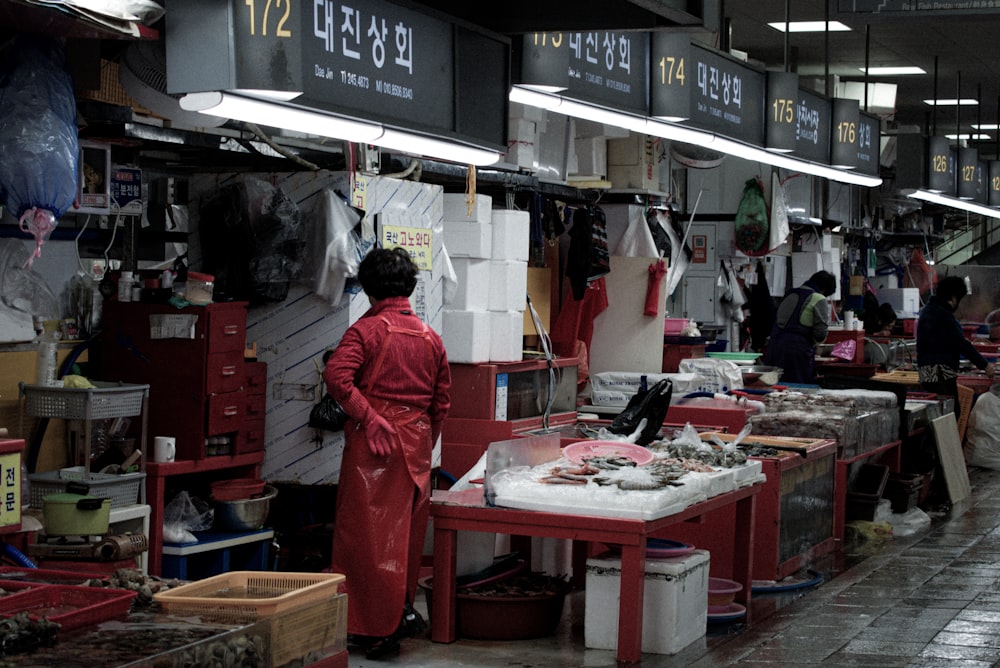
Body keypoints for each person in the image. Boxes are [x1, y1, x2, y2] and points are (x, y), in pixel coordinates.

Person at [324, 247, 451, 660]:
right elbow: (441, 403)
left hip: (372, 448)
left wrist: (371, 418)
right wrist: (422, 446)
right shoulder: (432, 338)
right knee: (404, 541)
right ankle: (395, 619)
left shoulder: (367, 332)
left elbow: (336, 375)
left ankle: (372, 628)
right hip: (415, 445)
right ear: (410, 287)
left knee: (365, 540)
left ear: (367, 287)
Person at [916, 275, 995, 401]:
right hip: (940, 372)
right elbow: (960, 343)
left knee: (938, 410)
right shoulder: (943, 314)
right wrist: (984, 365)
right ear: (953, 298)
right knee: (949, 412)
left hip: (926, 371)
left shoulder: (929, 310)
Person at [763, 270, 837, 384]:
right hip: (796, 353)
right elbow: (820, 333)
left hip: (774, 348)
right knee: (798, 391)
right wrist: (816, 345)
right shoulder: (818, 298)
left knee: (773, 387)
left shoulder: (790, 293)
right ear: (823, 290)